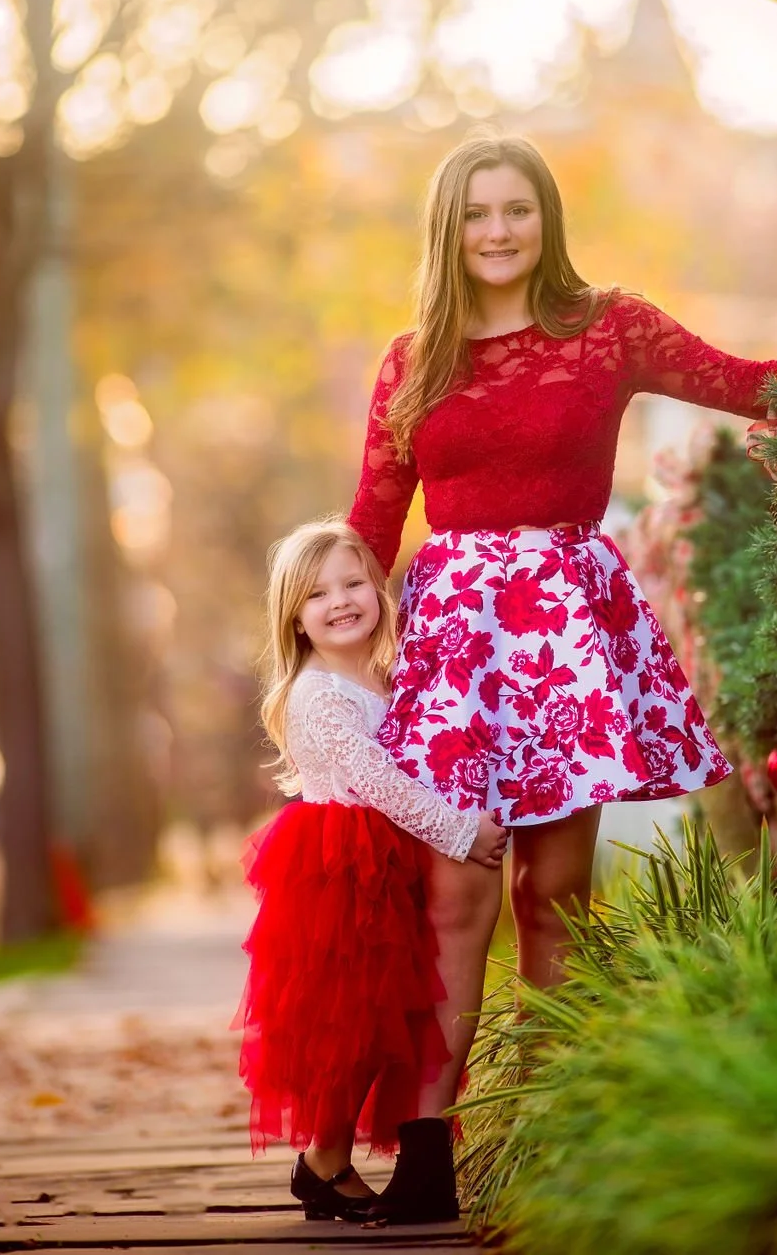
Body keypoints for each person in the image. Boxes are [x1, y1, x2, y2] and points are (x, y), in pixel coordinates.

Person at [347, 131, 777, 1217]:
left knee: (553, 894)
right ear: (447, 229)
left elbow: (748, 383)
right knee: (454, 896)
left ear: (546, 218)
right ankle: (424, 1149)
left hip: (565, 642)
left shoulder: (608, 326)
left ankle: (551, 1130)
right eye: (476, 213)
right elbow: (370, 518)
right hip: (454, 647)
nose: (498, 231)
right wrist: (320, 651)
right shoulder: (412, 359)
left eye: (518, 210)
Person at [234, 518, 506, 1227]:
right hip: (343, 866)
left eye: (354, 582)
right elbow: (377, 779)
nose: (341, 600)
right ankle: (322, 1158)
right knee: (351, 1023)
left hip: (388, 857)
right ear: (294, 615)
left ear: (380, 591)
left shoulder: (384, 674)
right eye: (319, 593)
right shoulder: (318, 693)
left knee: (385, 1020)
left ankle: (324, 1160)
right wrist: (459, 830)